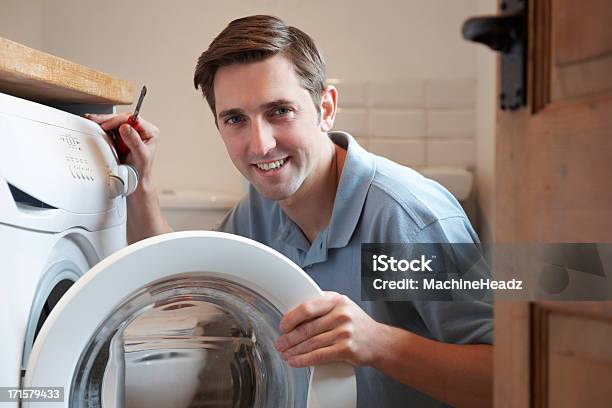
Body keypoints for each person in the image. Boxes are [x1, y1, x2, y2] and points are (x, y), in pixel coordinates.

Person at [86, 15, 493, 407]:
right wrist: (140, 180)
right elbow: (185, 292)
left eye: (279, 111)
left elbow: (510, 380)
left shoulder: (406, 218)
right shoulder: (262, 209)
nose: (260, 144)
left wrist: (376, 342)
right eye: (235, 119)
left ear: (326, 108)